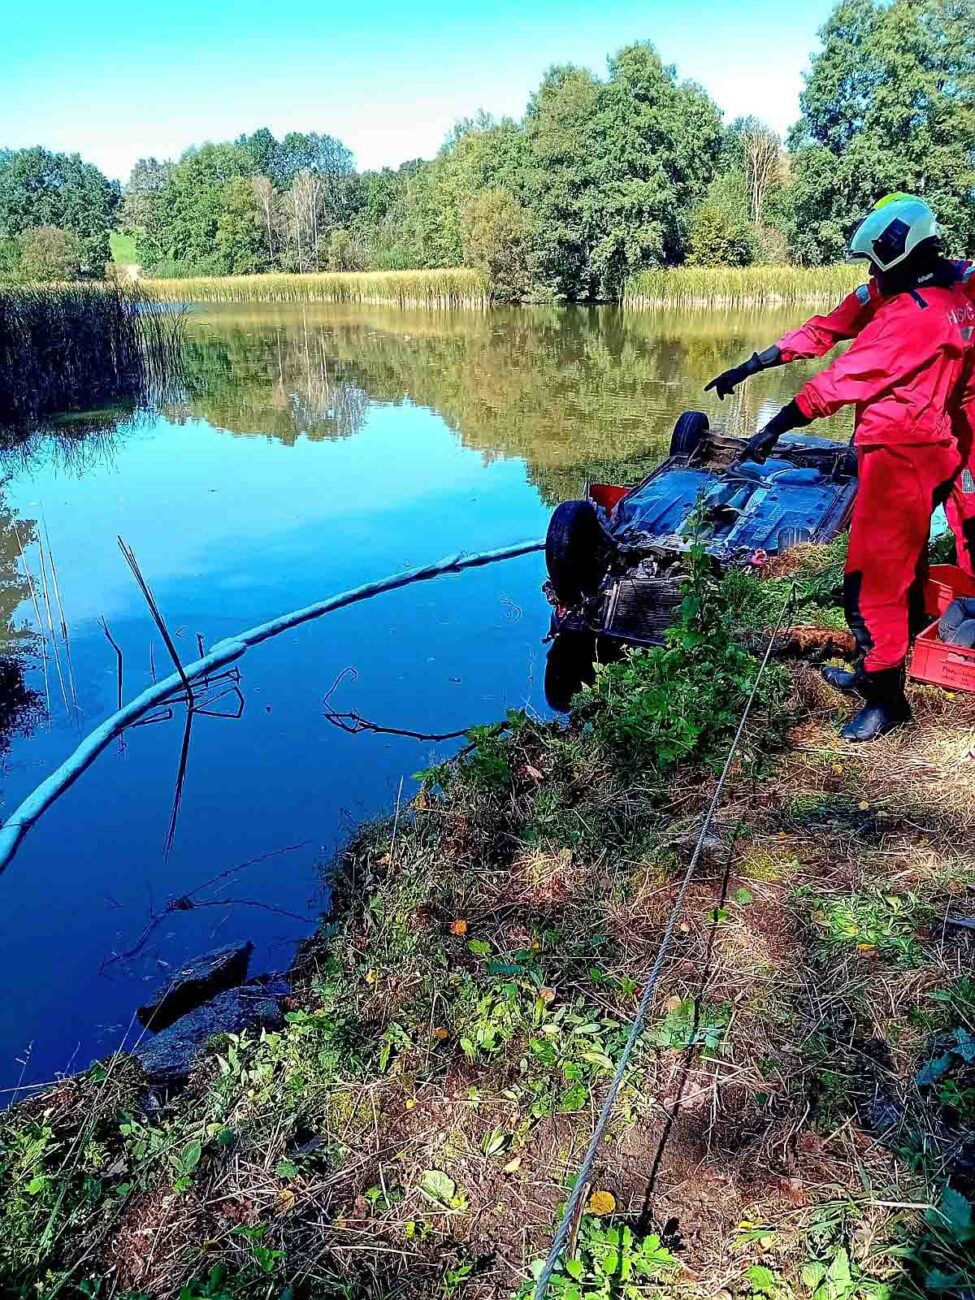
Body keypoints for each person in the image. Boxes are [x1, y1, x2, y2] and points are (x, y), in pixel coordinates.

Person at [705, 194, 975, 743]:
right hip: (932, 437)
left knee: (870, 579)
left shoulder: (909, 317)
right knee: (908, 562)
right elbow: (827, 328)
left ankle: (884, 698)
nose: (871, 274)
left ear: (901, 258)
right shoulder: (951, 288)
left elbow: (839, 381)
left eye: (877, 264)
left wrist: (771, 429)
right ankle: (877, 667)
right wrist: (753, 365)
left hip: (904, 449)